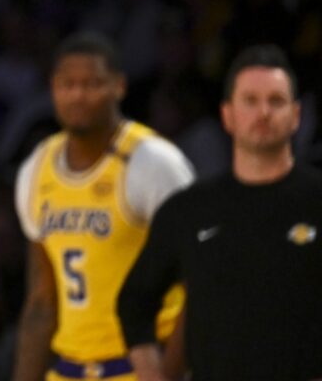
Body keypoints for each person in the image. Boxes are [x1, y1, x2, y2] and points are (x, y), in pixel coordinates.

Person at [118, 45, 322, 381]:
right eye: (250, 101)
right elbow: (134, 302)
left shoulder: (316, 199)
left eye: (276, 101)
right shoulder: (190, 209)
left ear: (296, 115)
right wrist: (152, 374)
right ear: (227, 114)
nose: (264, 113)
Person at [11, 34, 194, 381]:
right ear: (53, 89)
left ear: (119, 87)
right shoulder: (37, 167)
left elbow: (199, 282)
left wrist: (170, 373)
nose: (78, 95)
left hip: (140, 366)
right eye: (68, 84)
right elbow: (40, 303)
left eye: (92, 83)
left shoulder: (154, 162)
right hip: (69, 369)